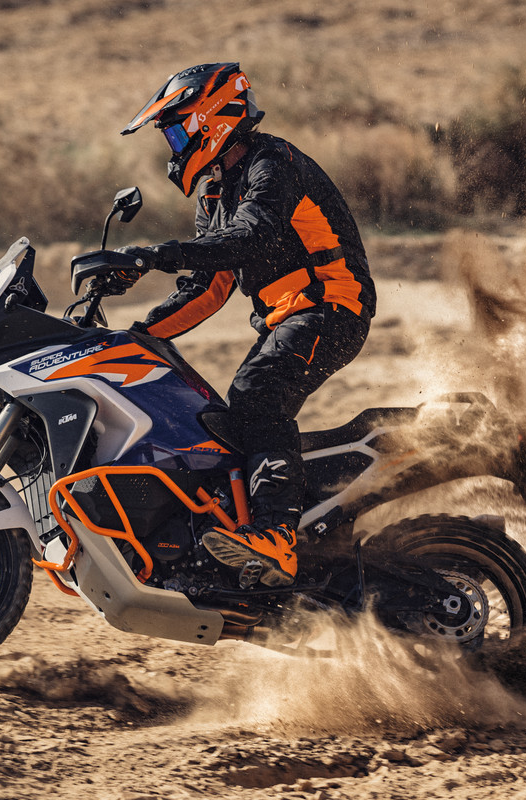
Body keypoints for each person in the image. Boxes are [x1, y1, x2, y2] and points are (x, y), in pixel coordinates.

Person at [117, 62, 376, 588]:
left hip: (333, 305)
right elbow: (207, 289)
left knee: (257, 392)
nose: (173, 147)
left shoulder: (272, 163)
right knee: (218, 414)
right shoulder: (215, 194)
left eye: (176, 132)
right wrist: (137, 337)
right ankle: (249, 522)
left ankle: (276, 534)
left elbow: (251, 236)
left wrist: (155, 255)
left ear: (210, 118)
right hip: (291, 315)